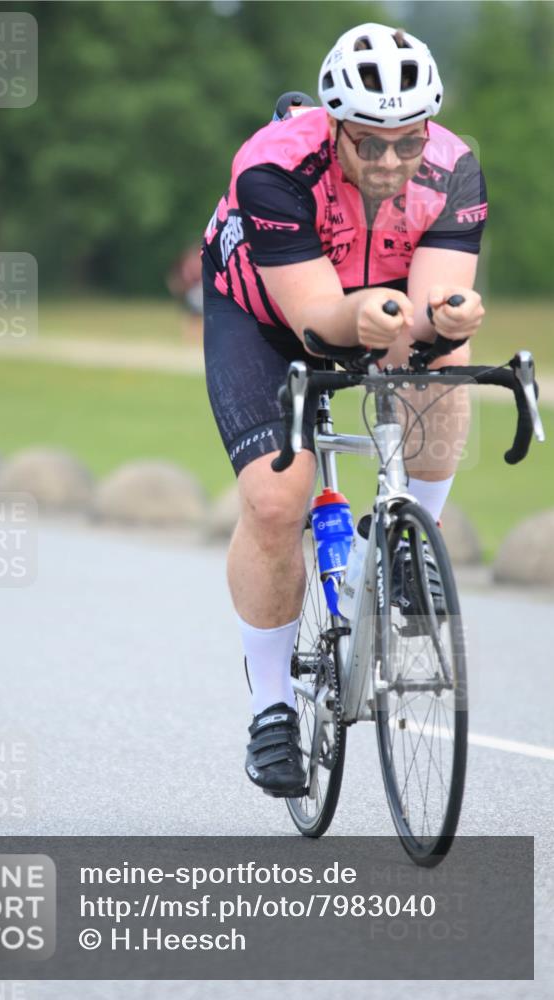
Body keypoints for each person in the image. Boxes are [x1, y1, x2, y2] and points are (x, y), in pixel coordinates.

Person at [201, 22, 487, 798]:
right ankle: (270, 708)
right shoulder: (273, 170)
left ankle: (401, 545)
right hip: (266, 319)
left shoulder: (455, 169)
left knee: (442, 360)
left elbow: (432, 301)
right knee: (275, 501)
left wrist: (447, 318)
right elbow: (317, 320)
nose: (392, 162)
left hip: (374, 300)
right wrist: (365, 318)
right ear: (334, 127)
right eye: (370, 143)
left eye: (407, 141)